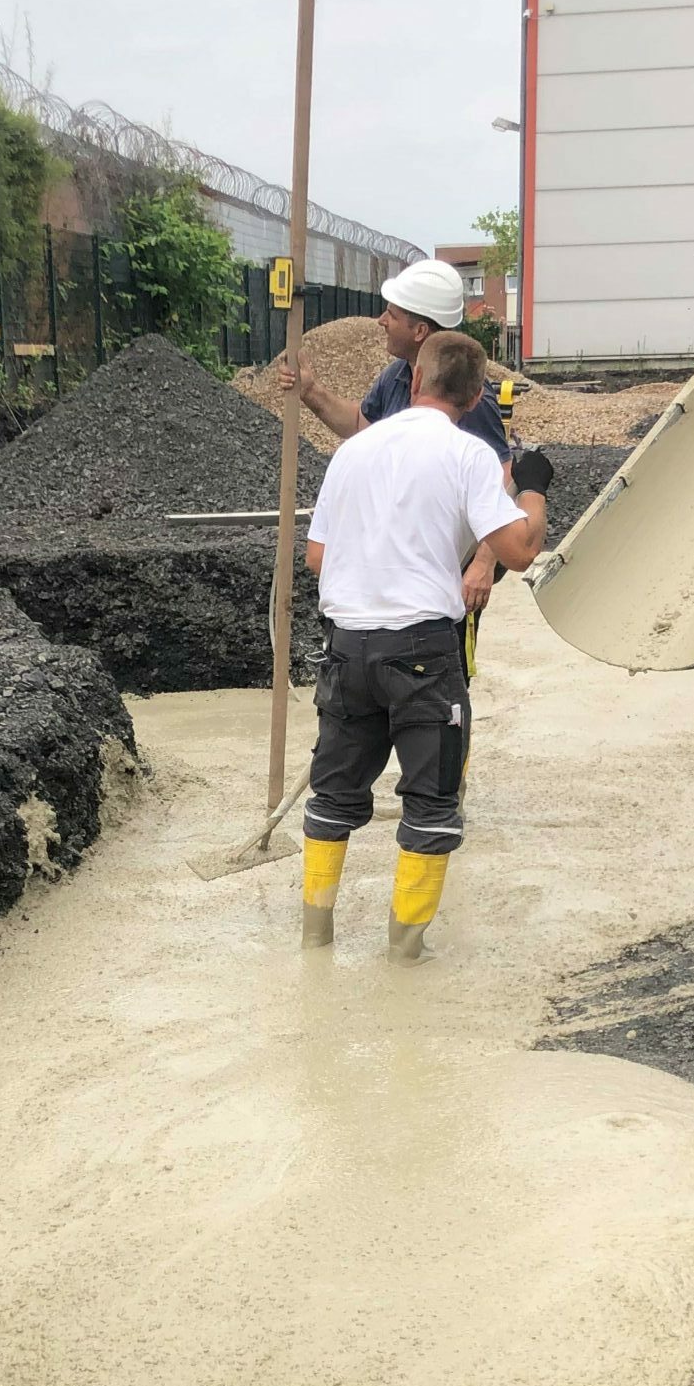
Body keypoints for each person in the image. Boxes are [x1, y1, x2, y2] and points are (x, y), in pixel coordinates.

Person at [300, 330, 548, 959]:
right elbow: (518, 551)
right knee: (432, 804)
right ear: (474, 396)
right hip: (421, 652)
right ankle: (405, 962)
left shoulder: (352, 454)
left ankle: (315, 939)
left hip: (347, 648)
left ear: (413, 381)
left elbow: (316, 557)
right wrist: (535, 487)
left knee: (332, 798)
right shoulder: (467, 456)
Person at [279, 257, 512, 614]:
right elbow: (362, 425)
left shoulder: (467, 396)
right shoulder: (397, 376)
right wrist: (312, 392)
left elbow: (501, 477)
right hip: (402, 580)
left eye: (392, 314)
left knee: (447, 663)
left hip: (445, 580)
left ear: (420, 331)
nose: (381, 321)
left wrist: (483, 563)